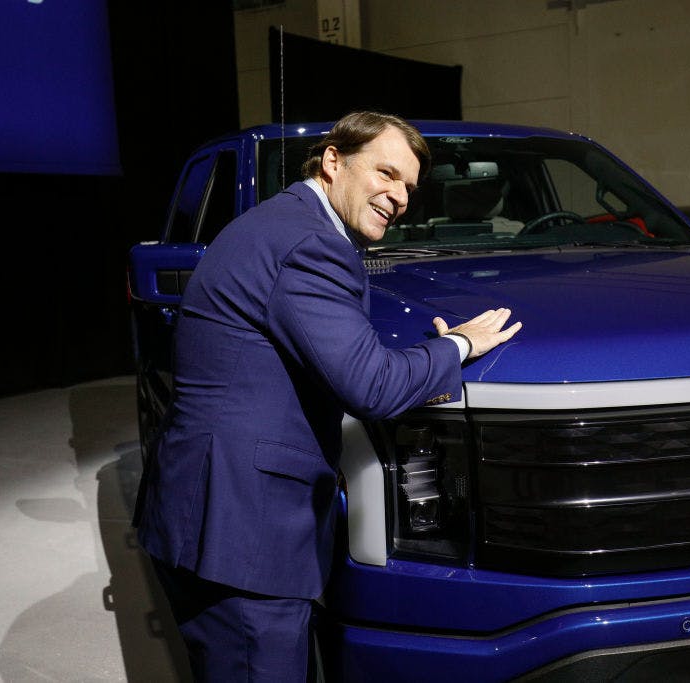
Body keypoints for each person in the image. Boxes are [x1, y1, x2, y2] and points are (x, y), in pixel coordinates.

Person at [136, 111, 522, 681]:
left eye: (409, 188)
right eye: (386, 173)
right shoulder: (311, 246)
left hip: (217, 512)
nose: (398, 197)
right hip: (242, 536)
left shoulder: (280, 223)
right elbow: (369, 385)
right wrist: (459, 346)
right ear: (334, 160)